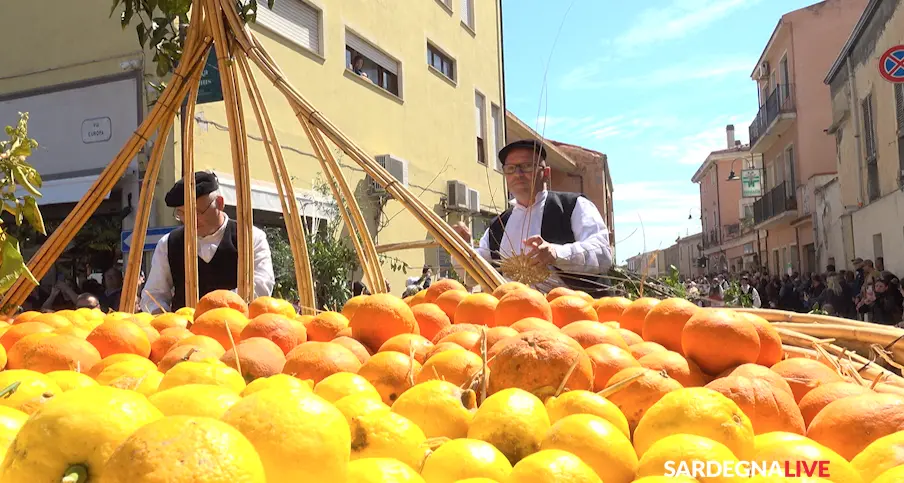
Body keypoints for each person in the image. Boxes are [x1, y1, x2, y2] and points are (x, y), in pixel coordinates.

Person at [451, 139, 613, 296]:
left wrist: (557, 253)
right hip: (515, 315)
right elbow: (472, 278)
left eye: (527, 166)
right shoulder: (498, 225)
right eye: (511, 168)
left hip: (574, 314)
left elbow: (603, 253)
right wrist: (461, 248)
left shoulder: (573, 206)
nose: (518, 174)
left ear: (546, 173)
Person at [140, 171, 275, 313]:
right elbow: (153, 294)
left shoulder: (250, 237)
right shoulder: (168, 243)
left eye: (197, 212)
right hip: (185, 332)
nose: (191, 220)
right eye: (182, 213)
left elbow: (262, 284)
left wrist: (214, 308)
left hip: (238, 328)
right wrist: (162, 318)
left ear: (219, 203)